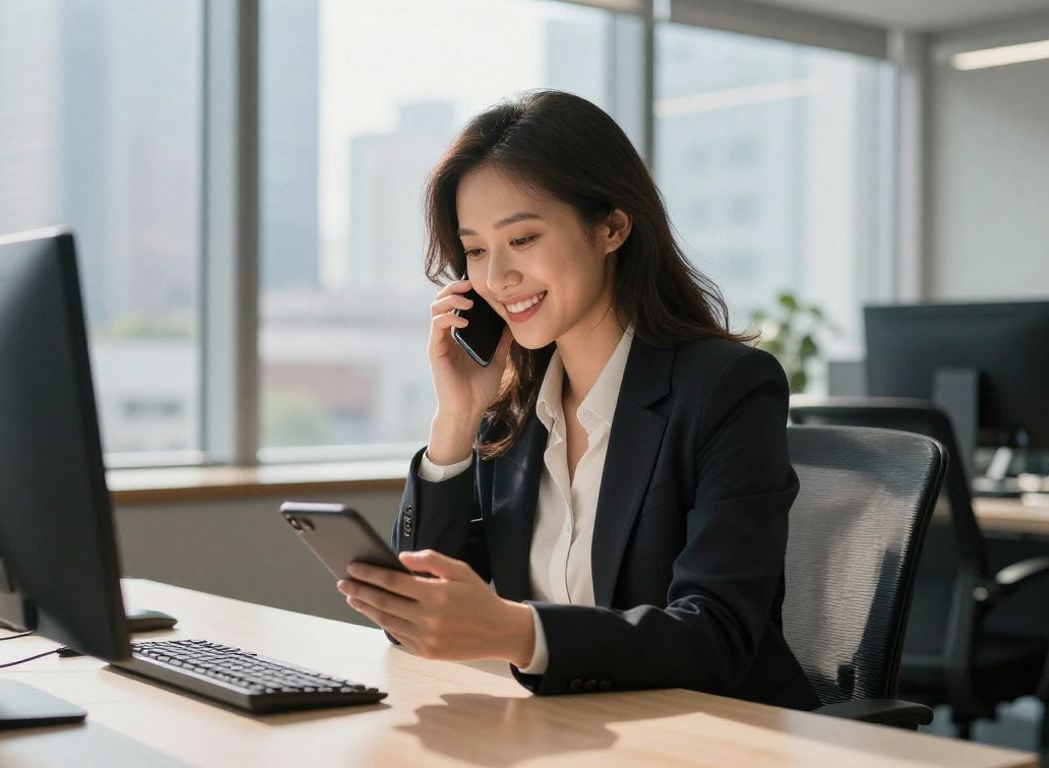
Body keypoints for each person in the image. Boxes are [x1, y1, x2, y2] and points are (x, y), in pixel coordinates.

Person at [336, 89, 819, 709]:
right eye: (477, 249)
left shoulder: (727, 387)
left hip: (709, 736)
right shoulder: (514, 410)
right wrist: (456, 417)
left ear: (612, 226)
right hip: (569, 731)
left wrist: (519, 632)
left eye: (524, 238)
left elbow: (715, 636)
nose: (497, 278)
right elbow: (416, 618)